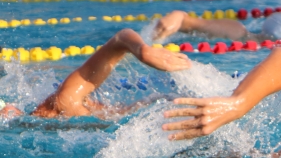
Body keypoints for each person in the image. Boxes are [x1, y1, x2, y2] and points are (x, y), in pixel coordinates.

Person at [0, 28, 190, 119]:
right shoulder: (65, 104)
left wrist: (144, 51)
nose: (10, 109)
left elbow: (121, 39)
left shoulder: (65, 101)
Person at [152, 10, 281, 42]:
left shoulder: (240, 34)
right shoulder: (238, 32)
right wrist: (178, 16)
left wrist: (178, 16)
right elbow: (186, 21)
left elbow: (188, 22)